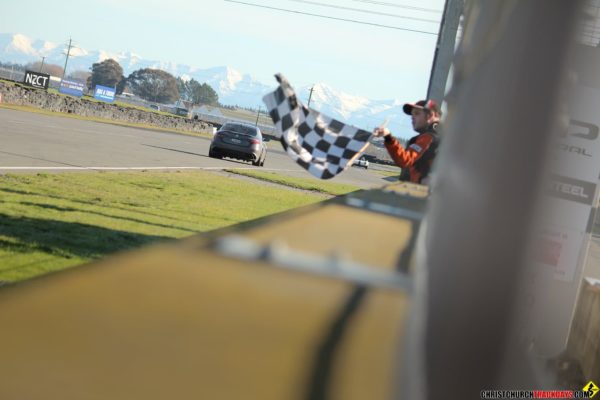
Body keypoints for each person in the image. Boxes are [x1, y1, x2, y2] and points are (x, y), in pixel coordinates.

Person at [374, 99, 441, 184]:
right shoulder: (447, 136)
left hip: (420, 193)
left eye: (417, 113)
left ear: (430, 115)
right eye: (412, 114)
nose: (412, 117)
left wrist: (388, 137)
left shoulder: (429, 138)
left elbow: (405, 160)